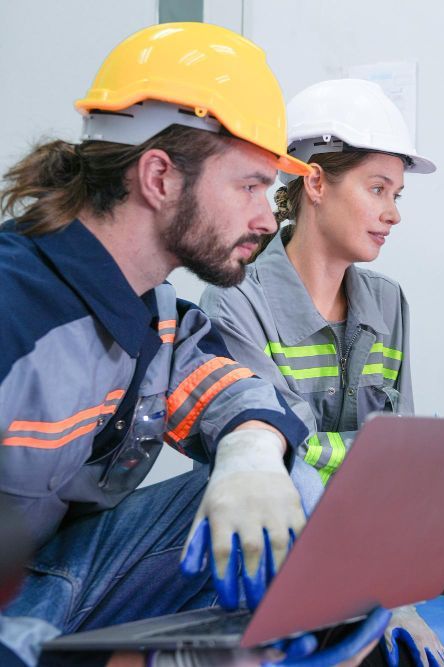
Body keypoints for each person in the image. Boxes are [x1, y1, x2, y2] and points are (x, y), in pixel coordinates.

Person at [0, 23, 389, 667]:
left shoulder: (150, 311)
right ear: (159, 177)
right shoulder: (17, 314)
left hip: (52, 582)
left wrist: (251, 452)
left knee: (287, 479)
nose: (268, 218)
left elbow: (222, 386)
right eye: (249, 186)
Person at [200, 79, 444, 667]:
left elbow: (395, 481)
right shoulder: (234, 301)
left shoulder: (387, 302)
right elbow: (287, 465)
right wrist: (429, 434)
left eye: (397, 193)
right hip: (268, 557)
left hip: (360, 563)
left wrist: (394, 597)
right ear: (315, 181)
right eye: (378, 189)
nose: (393, 214)